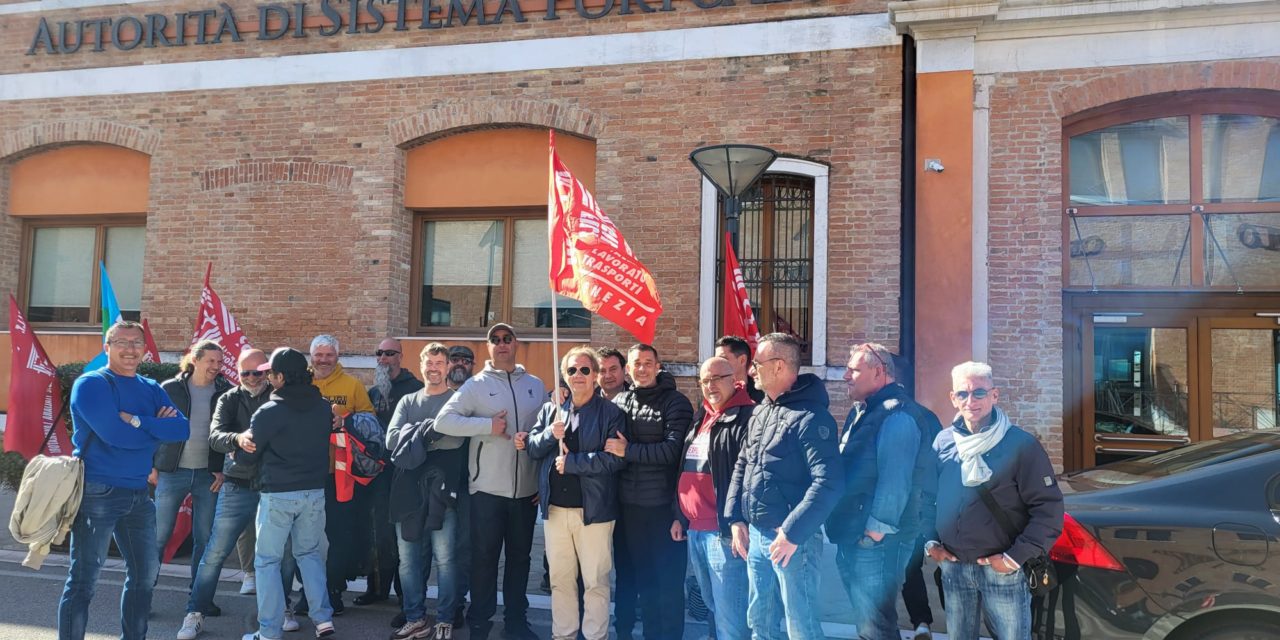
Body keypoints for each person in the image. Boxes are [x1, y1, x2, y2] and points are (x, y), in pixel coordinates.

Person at [58, 320, 190, 640]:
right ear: (107, 347)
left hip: (139, 495)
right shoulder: (92, 384)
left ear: (144, 349)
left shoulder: (151, 387)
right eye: (122, 342)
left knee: (145, 577)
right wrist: (155, 431)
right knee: (84, 582)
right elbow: (115, 436)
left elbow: (182, 430)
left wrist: (136, 421)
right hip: (97, 492)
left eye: (136, 343)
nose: (130, 349)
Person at [926, 361, 1064, 640]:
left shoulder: (1021, 445)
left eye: (978, 392)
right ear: (953, 398)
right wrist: (930, 544)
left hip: (1002, 570)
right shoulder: (943, 442)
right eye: (962, 394)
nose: (970, 401)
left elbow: (1048, 510)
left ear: (994, 395)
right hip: (955, 567)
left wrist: (1014, 559)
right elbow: (924, 500)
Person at [179, 349, 301, 640]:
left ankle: (283, 608)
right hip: (236, 484)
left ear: (267, 371)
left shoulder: (283, 396)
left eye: (256, 372)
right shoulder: (229, 398)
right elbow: (215, 435)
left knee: (283, 554)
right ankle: (195, 611)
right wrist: (237, 438)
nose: (250, 378)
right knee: (215, 551)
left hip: (275, 486)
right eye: (244, 372)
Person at [725, 332, 840, 640]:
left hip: (791, 542)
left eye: (757, 363)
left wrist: (792, 532)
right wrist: (735, 518)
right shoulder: (762, 410)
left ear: (778, 367)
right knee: (760, 622)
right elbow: (743, 465)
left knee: (800, 627)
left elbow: (828, 482)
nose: (751, 371)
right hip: (757, 536)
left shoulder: (812, 418)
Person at [435, 323, 545, 640]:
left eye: (506, 339)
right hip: (486, 491)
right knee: (483, 561)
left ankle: (516, 622)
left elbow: (543, 434)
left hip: (525, 492)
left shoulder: (535, 385)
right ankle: (480, 623)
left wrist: (540, 480)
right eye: (494, 340)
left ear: (515, 344)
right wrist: (487, 426)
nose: (501, 344)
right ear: (488, 347)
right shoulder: (476, 385)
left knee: (520, 561)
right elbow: (444, 421)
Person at [825, 343, 941, 640]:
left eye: (853, 370)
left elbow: (895, 482)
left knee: (876, 626)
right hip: (855, 535)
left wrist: (873, 535)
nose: (845, 376)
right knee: (868, 623)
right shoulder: (861, 412)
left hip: (877, 543)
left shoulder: (897, 415)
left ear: (878, 372)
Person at [523, 347, 627, 640]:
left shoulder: (612, 413)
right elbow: (532, 448)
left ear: (595, 374)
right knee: (560, 580)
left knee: (596, 581)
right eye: (572, 370)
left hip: (593, 511)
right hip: (556, 510)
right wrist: (549, 435)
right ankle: (563, 635)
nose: (578, 375)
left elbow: (615, 459)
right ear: (563, 376)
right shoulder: (551, 410)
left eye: (584, 370)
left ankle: (596, 636)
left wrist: (574, 463)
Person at [237, 347, 338, 640]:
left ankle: (268, 631)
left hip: (278, 494)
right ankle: (322, 619)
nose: (267, 377)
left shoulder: (269, 410)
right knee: (309, 555)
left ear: (281, 376)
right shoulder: (322, 406)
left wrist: (235, 452)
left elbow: (248, 455)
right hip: (314, 492)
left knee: (267, 561)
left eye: (270, 373)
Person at [607, 344, 692, 640]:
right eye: (636, 364)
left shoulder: (676, 403)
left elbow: (672, 451)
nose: (641, 368)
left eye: (647, 363)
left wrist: (628, 450)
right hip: (630, 508)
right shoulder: (619, 402)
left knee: (668, 585)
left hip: (664, 509)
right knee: (645, 583)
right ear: (628, 369)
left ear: (658, 367)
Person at [385, 343, 468, 640]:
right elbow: (392, 440)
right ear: (421, 365)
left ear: (448, 367)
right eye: (428, 362)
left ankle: (445, 618)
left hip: (443, 493)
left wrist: (415, 435)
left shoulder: (457, 400)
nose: (433, 367)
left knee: (445, 559)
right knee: (408, 561)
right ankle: (416, 619)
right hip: (407, 491)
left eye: (439, 362)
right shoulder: (408, 400)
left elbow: (456, 441)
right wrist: (431, 432)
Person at [674, 356, 753, 640]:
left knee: (732, 616)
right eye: (704, 380)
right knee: (712, 609)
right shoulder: (702, 416)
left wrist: (737, 521)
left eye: (717, 378)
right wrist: (679, 515)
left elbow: (748, 477)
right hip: (695, 529)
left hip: (724, 532)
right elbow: (686, 467)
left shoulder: (747, 417)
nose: (710, 386)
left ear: (734, 379)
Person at [155, 341, 231, 615]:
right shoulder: (170, 389)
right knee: (158, 536)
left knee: (205, 538)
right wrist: (152, 466)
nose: (216, 367)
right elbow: (153, 428)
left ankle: (199, 600)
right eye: (211, 361)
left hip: (208, 476)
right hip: (171, 472)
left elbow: (229, 434)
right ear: (194, 360)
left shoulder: (225, 391)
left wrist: (222, 468)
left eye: (220, 362)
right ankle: (141, 596)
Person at [308, 333, 376, 615]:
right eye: (319, 355)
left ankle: (334, 589)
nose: (324, 360)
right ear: (311, 356)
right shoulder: (301, 383)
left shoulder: (352, 385)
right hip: (307, 472)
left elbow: (370, 422)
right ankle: (310, 591)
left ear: (338, 357)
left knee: (338, 535)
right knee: (308, 537)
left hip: (341, 475)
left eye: (329, 355)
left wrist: (345, 419)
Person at [356, 338, 424, 607]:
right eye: (379, 353)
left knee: (404, 536)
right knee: (378, 532)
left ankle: (404, 594)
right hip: (377, 475)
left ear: (401, 356)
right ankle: (377, 588)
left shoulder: (416, 389)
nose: (383, 358)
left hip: (406, 473)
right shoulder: (372, 393)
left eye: (390, 353)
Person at [714, 335, 764, 404]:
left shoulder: (762, 398)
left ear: (742, 360)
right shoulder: (713, 393)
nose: (717, 364)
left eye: (723, 359)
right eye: (716, 360)